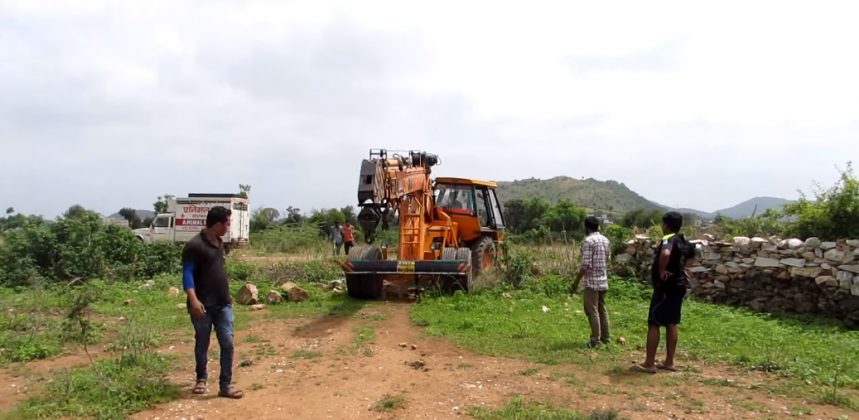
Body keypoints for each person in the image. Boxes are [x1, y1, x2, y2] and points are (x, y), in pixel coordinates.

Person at [182, 206, 243, 398]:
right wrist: (194, 300)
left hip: (223, 303)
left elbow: (218, 271)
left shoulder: (219, 242)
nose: (228, 226)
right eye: (227, 222)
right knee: (202, 342)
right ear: (218, 224)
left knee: (227, 342)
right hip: (202, 305)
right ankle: (201, 378)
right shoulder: (194, 245)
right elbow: (187, 274)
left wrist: (227, 293)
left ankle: (225, 386)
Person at [631, 211, 696, 373]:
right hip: (679, 286)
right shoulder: (683, 240)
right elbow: (692, 255)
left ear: (666, 225)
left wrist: (661, 271)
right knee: (672, 323)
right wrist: (684, 269)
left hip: (665, 288)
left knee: (654, 323)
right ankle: (669, 362)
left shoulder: (668, 239)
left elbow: (665, 253)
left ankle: (649, 363)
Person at [578, 215, 611, 348]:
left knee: (592, 310)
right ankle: (606, 337)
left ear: (586, 227)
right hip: (603, 280)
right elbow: (608, 259)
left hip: (592, 282)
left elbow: (585, 266)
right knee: (601, 309)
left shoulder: (588, 241)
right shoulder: (605, 240)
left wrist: (576, 283)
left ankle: (595, 340)